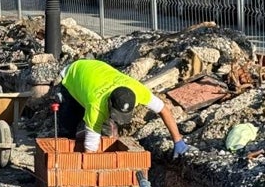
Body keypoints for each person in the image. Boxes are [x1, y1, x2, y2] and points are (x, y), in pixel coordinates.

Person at [52, 59, 188, 157]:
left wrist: (178, 140)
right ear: (109, 104)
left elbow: (164, 110)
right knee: (69, 126)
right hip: (74, 74)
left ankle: (84, 133)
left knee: (106, 132)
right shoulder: (96, 106)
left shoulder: (138, 91)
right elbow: (90, 149)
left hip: (98, 71)